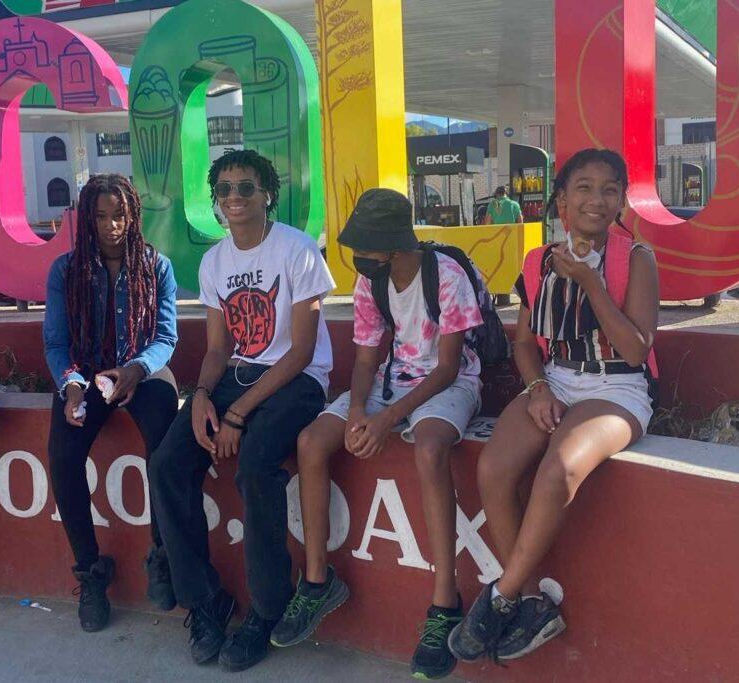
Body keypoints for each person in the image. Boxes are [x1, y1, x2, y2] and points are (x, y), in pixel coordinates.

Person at [449, 148, 658, 662]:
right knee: (495, 468)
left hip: (618, 387)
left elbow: (636, 348)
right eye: (583, 187)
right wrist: (538, 386)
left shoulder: (636, 258)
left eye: (610, 188)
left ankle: (500, 597)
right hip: (558, 380)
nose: (597, 198)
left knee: (558, 467)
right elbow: (523, 343)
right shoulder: (539, 262)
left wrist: (590, 281)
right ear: (561, 201)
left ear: (621, 200)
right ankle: (532, 601)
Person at [271, 188, 485, 679]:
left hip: (449, 383)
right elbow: (367, 358)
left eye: (366, 247)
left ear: (393, 244)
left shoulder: (445, 276)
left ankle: (444, 603)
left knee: (429, 448)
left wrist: (389, 420)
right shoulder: (373, 284)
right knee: (310, 442)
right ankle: (318, 581)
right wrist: (360, 410)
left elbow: (449, 368)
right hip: (392, 382)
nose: (358, 257)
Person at [148, 149, 335, 672]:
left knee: (254, 464)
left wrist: (237, 413)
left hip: (297, 382)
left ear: (267, 194)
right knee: (166, 464)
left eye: (246, 187)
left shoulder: (296, 250)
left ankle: (268, 610)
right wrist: (202, 397)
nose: (234, 197)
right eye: (225, 189)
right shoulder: (214, 262)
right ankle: (206, 600)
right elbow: (216, 348)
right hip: (234, 380)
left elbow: (300, 352)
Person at [43, 174, 179, 632]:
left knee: (163, 446)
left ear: (132, 216)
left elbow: (166, 336)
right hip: (87, 375)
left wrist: (137, 369)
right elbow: (57, 343)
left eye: (118, 215)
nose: (110, 225)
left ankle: (161, 555)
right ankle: (91, 573)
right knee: (62, 457)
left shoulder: (155, 266)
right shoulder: (66, 270)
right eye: (100, 216)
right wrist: (73, 386)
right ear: (87, 219)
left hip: (144, 371)